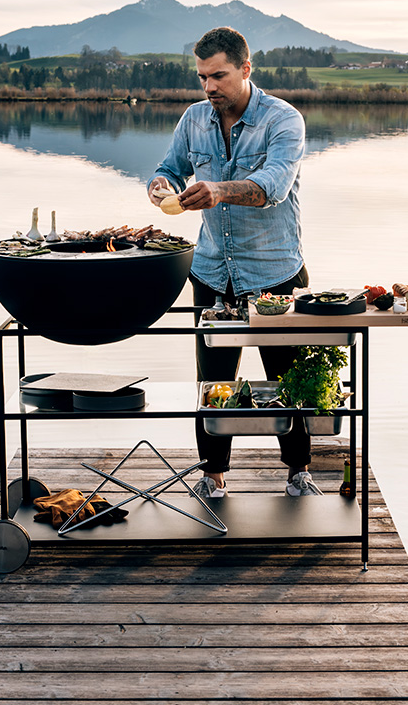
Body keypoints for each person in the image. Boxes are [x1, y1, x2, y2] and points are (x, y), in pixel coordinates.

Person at [147, 26, 322, 499]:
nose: (209, 87)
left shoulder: (284, 121)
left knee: (287, 380)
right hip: (210, 271)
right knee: (213, 380)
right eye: (202, 77)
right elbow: (168, 168)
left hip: (273, 272)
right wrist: (159, 187)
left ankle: (298, 472)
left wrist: (218, 190)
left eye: (218, 76)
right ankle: (213, 474)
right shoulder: (193, 119)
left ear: (246, 69)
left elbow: (275, 185)